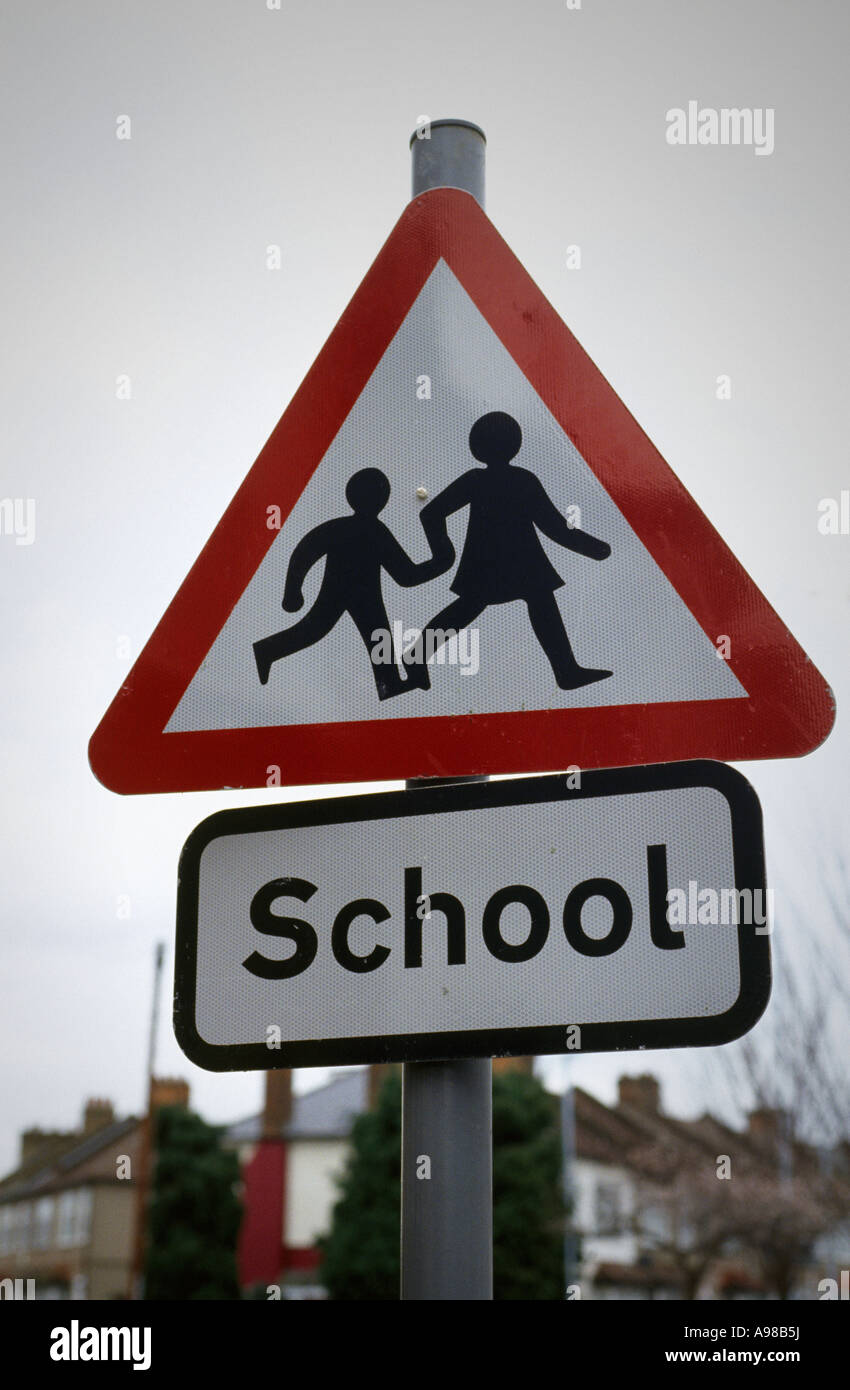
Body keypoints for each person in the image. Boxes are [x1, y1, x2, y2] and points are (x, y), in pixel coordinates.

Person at [399, 411, 613, 692]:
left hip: (505, 560)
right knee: (489, 604)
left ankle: (566, 671)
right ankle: (566, 671)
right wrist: (594, 548)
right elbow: (555, 526)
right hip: (509, 560)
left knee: (527, 601)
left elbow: (431, 514)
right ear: (516, 444)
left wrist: (443, 552)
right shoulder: (519, 479)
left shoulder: (482, 479)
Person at [253, 468, 447, 699]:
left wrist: (293, 590)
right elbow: (406, 575)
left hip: (357, 594)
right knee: (328, 631)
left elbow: (306, 550)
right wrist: (440, 563)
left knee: (338, 632)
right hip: (352, 593)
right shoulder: (375, 530)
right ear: (383, 499)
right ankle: (266, 650)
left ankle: (390, 683)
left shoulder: (346, 527)